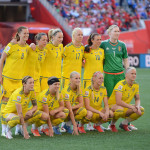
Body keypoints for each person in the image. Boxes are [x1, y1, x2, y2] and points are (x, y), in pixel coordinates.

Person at [0, 26, 30, 136]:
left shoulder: (27, 47)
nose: (26, 35)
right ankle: (3, 129)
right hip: (8, 79)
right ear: (19, 34)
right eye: (24, 33)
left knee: (19, 103)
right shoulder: (12, 45)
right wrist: (0, 75)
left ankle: (18, 128)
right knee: (5, 103)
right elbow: (2, 59)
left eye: (27, 33)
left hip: (20, 81)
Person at [108, 67, 144, 132]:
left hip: (125, 107)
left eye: (135, 74)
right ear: (126, 75)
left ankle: (124, 123)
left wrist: (137, 107)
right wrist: (131, 107)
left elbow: (137, 99)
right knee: (120, 110)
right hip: (113, 106)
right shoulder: (121, 84)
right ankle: (112, 125)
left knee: (141, 110)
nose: (134, 75)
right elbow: (118, 102)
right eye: (132, 73)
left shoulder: (136, 85)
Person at [100, 25, 129, 98]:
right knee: (109, 97)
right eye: (115, 31)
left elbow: (125, 59)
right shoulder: (103, 44)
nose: (117, 33)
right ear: (109, 33)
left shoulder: (122, 45)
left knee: (121, 97)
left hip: (120, 75)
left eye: (118, 31)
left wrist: (128, 72)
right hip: (108, 75)